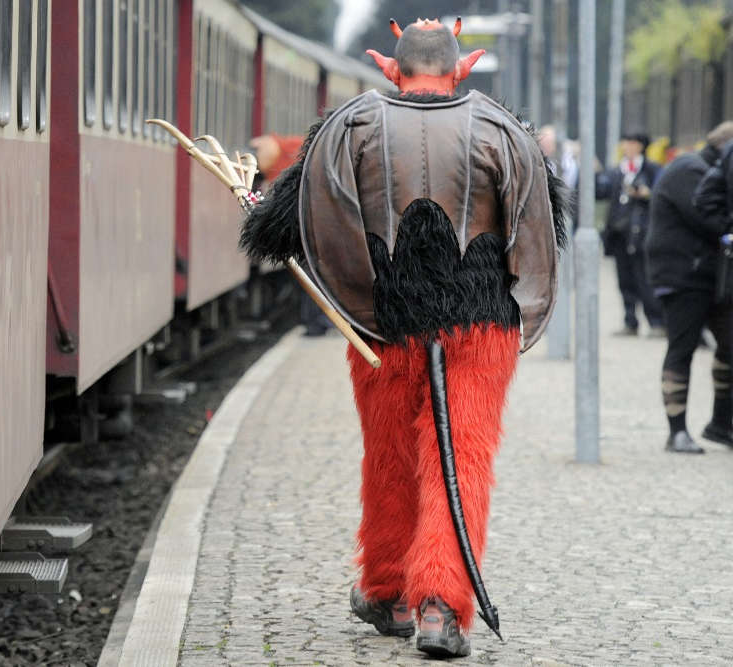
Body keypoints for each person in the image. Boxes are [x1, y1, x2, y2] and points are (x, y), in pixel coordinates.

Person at [238, 18, 566, 659]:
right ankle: (441, 610)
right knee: (460, 458)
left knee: (389, 453)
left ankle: (385, 588)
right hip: (479, 326)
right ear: (463, 67)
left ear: (389, 67)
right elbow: (546, 219)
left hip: (381, 327)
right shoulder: (505, 128)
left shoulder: (347, 125)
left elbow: (279, 233)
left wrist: (253, 204)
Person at [647, 122, 733, 454]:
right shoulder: (689, 169)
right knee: (682, 351)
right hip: (683, 278)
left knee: (728, 346)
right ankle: (677, 430)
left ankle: (720, 424)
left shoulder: (703, 169)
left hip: (712, 277)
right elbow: (709, 218)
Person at [249, 133, 332, 336]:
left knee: (311, 275)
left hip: (313, 231)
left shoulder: (287, 161)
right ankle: (316, 322)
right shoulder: (304, 156)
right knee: (314, 275)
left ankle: (315, 324)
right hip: (316, 230)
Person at [597, 131, 666, 337]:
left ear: (641, 145)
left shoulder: (652, 169)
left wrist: (646, 194)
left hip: (641, 234)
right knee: (624, 281)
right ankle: (630, 321)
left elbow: (661, 196)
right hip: (620, 234)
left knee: (644, 280)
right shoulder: (618, 171)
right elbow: (605, 194)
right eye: (625, 142)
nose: (626, 146)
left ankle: (656, 323)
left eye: (631, 142)